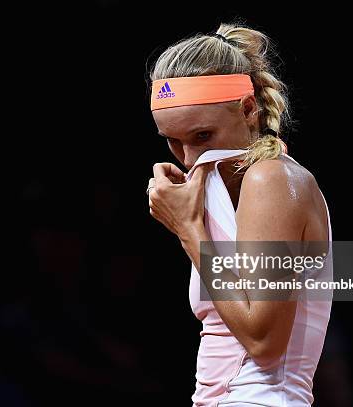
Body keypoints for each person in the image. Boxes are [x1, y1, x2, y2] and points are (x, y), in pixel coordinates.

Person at [146, 22, 333, 406]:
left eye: (202, 137)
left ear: (248, 109)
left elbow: (263, 342)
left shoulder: (272, 178)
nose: (190, 158)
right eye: (173, 142)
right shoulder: (224, 188)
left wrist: (187, 228)